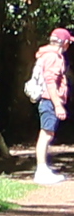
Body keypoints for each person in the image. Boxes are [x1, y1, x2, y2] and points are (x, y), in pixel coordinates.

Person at [34, 27, 72, 185]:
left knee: (47, 134)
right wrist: (58, 105)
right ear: (64, 43)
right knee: (46, 135)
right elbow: (50, 82)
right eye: (68, 42)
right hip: (49, 100)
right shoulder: (54, 57)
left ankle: (42, 169)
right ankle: (41, 170)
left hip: (47, 100)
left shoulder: (45, 55)